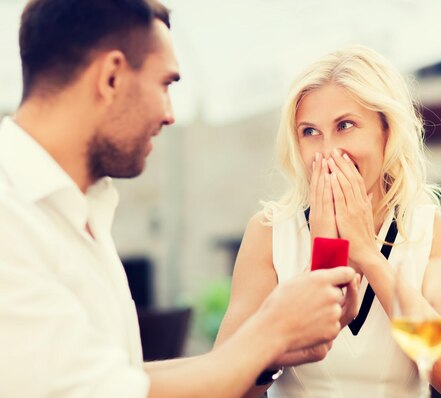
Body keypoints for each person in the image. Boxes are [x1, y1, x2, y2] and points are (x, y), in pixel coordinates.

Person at [0, 1, 359, 397]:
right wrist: (269, 332)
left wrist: (272, 345)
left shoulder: (78, 208)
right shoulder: (10, 218)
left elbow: (118, 380)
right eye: (165, 84)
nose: (170, 114)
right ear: (112, 77)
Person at [215, 45, 441, 397]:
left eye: (345, 126)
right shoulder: (268, 233)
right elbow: (226, 386)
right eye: (310, 132)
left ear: (386, 131)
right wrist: (324, 259)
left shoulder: (429, 230)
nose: (328, 151)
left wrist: (368, 256)